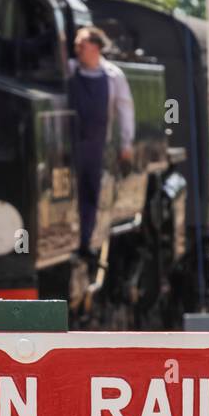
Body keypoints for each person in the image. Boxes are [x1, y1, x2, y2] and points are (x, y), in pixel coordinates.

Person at [67, 27, 135, 255]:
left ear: (95, 47)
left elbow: (125, 109)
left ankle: (85, 241)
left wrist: (126, 144)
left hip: (96, 143)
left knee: (90, 192)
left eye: (81, 45)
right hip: (71, 142)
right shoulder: (70, 70)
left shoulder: (114, 76)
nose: (77, 49)